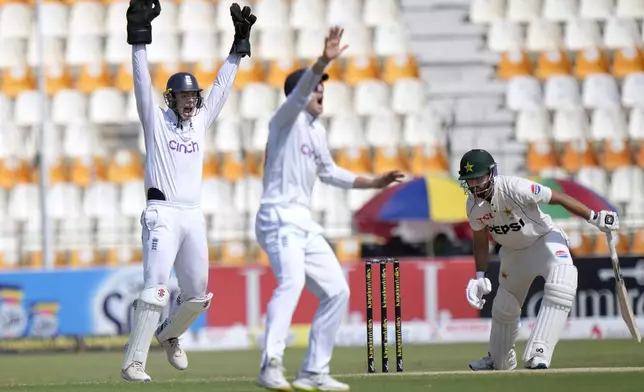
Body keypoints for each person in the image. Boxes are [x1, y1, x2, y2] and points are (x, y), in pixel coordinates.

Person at [255, 27, 404, 391]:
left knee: (337, 291)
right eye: (316, 86)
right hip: (277, 218)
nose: (322, 90)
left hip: (303, 223)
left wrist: (374, 183)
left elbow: (330, 172)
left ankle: (313, 371)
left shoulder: (316, 132)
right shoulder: (284, 121)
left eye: (325, 85)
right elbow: (303, 89)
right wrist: (323, 60)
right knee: (291, 283)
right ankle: (270, 364)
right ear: (298, 93)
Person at [120, 0, 256, 382]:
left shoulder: (199, 122)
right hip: (161, 212)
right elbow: (140, 79)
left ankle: (170, 334)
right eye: (185, 97)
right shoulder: (155, 120)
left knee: (197, 295)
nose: (192, 101)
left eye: (194, 97)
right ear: (171, 99)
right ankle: (134, 362)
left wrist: (237, 48)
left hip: (192, 213)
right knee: (155, 290)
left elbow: (222, 88)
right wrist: (138, 38)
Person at [459, 149, 619, 371]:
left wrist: (594, 217)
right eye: (470, 180)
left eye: (479, 178)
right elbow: (479, 239)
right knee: (505, 307)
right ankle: (498, 360)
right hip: (513, 253)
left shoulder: (515, 188)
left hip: (544, 241)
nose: (475, 185)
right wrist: (479, 275)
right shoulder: (473, 206)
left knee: (563, 280)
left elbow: (558, 198)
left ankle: (538, 353)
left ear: (492, 173)